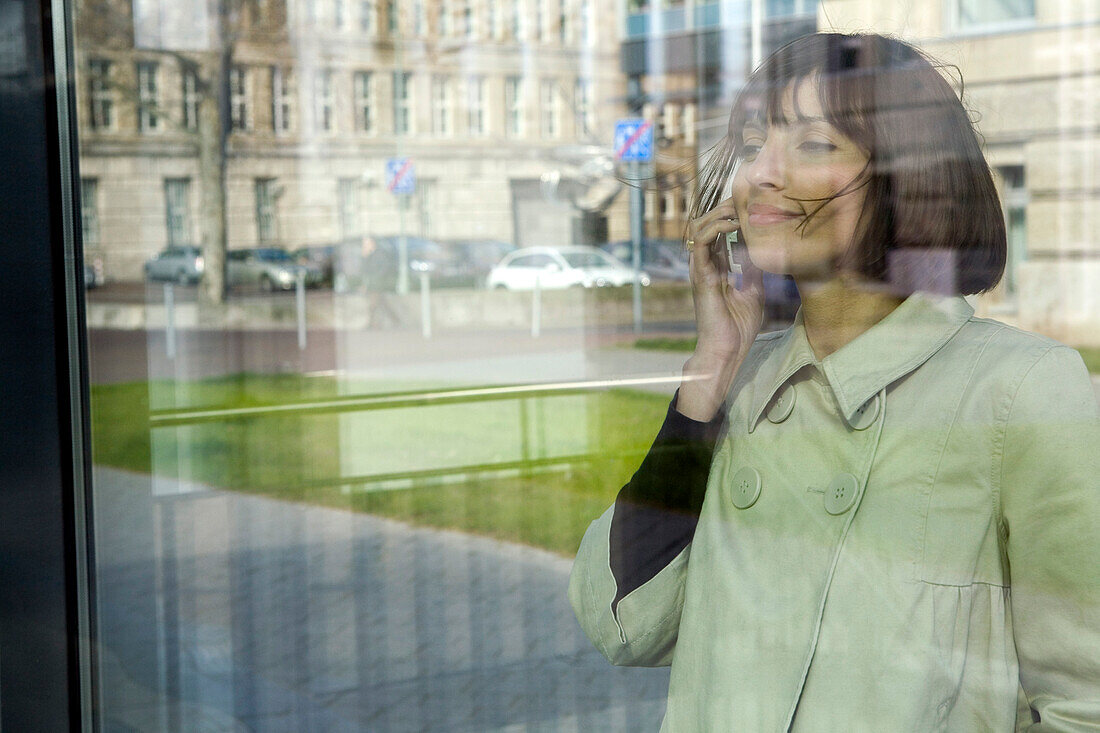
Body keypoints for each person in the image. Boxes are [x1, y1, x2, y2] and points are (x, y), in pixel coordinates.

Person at [569, 32, 1100, 730]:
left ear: (906, 177)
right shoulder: (743, 382)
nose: (760, 171)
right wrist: (707, 373)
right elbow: (623, 622)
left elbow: (1083, 703)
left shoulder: (1019, 391)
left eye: (812, 144)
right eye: (754, 140)